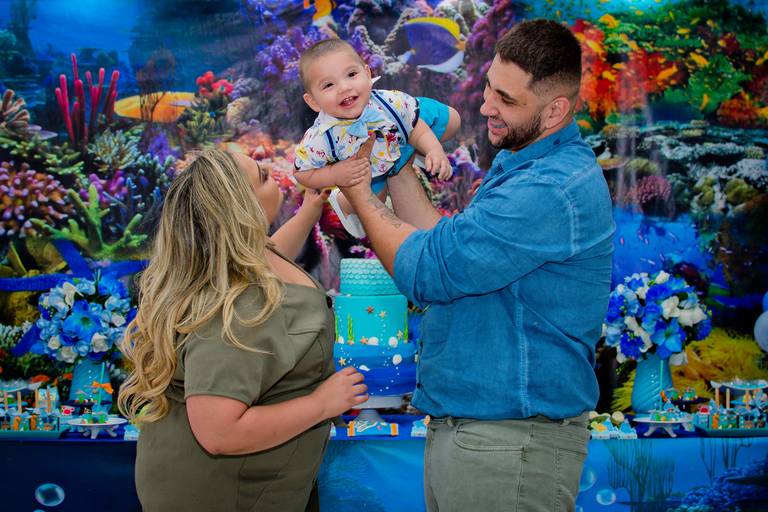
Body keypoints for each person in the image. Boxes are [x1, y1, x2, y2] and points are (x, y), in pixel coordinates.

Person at [339, 19, 616, 512]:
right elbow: (441, 246)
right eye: (489, 85)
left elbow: (428, 271)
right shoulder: (523, 164)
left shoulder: (550, 188)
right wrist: (393, 156)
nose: (486, 105)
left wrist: (359, 189)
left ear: (555, 110)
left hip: (511, 444)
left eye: (507, 100)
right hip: (481, 435)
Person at [118, 149, 369, 512]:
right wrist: (322, 404)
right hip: (221, 494)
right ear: (242, 210)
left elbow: (273, 254)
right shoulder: (234, 308)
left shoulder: (243, 259)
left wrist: (310, 210)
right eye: (263, 176)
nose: (272, 174)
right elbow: (219, 432)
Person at [294, 38, 461, 237]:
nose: (344, 87)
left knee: (452, 120)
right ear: (313, 101)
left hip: (398, 136)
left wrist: (433, 149)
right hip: (368, 167)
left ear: (367, 73)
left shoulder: (389, 101)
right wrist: (335, 174)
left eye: (352, 74)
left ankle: (412, 151)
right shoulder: (320, 138)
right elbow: (301, 172)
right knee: (374, 200)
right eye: (329, 85)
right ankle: (343, 204)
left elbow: (417, 127)